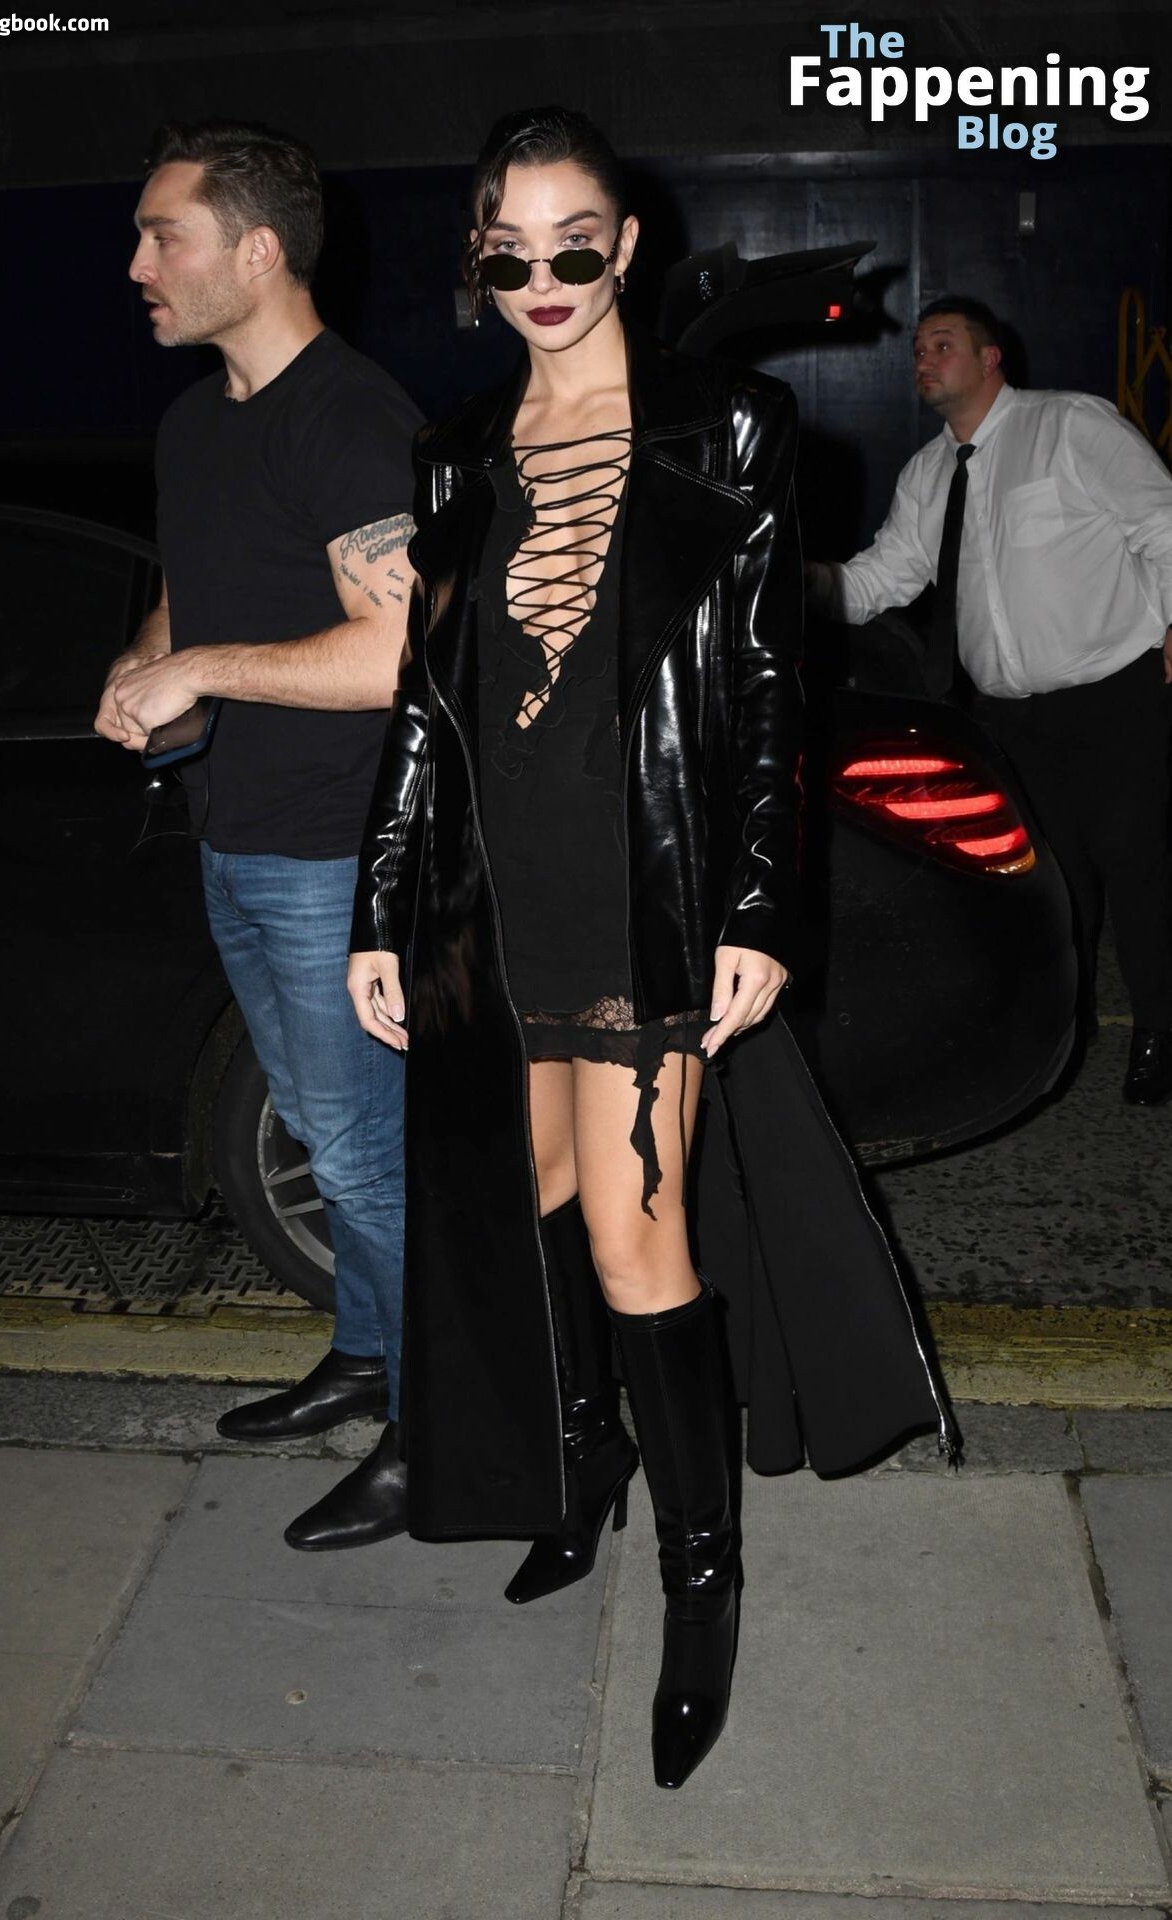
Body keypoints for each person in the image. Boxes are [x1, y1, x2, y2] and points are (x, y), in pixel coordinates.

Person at [347, 105, 957, 1792]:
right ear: (480, 261)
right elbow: (425, 701)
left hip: (643, 894)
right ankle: (583, 1463)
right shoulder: (458, 451)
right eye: (509, 253)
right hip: (490, 899)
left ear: (624, 248)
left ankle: (704, 1578)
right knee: (535, 1210)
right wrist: (382, 907)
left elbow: (768, 687)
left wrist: (757, 906)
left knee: (636, 1240)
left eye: (574, 245)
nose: (543, 278)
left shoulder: (723, 427)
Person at [95, 119, 422, 1547]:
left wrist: (205, 670)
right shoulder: (194, 423)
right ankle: (364, 1356)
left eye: (163, 236)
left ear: (259, 251)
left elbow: (399, 650)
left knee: (363, 1155)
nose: (137, 266)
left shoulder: (348, 416)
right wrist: (143, 667)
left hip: (337, 856)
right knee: (318, 1126)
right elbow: (195, 586)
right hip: (236, 831)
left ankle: (435, 1431)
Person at [808, 296, 1172, 1106]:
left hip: (1112, 694)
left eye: (941, 344)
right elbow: (881, 579)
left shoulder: (1068, 426)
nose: (922, 360)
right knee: (1053, 879)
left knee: (1134, 868)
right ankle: (1067, 1029)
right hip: (1010, 717)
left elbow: (1161, 522)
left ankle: (1157, 1029)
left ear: (989, 357)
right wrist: (797, 583)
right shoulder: (928, 472)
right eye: (916, 350)